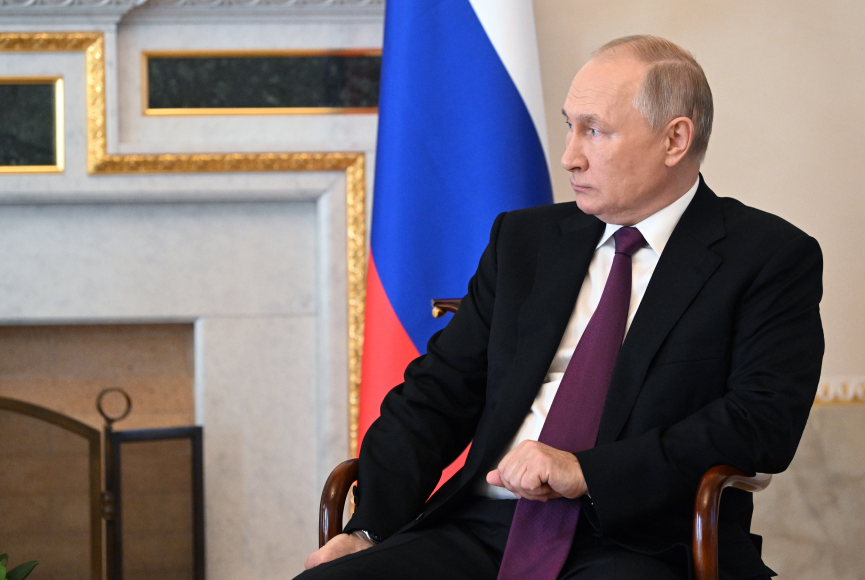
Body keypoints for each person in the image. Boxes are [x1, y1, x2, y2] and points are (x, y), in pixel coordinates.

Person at [296, 35, 824, 580]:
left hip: (644, 543)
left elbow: (761, 422)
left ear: (674, 140)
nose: (570, 156)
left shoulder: (767, 258)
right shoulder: (524, 242)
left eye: (594, 131)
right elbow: (437, 395)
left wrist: (586, 471)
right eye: (570, 127)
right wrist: (368, 529)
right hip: (482, 529)